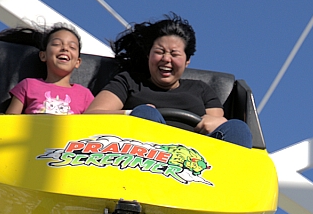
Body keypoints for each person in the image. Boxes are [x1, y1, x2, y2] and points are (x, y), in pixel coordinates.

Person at [85, 14, 252, 148]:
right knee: (146, 115)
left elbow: (216, 122)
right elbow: (92, 115)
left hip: (193, 156)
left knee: (238, 128)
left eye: (174, 54)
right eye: (160, 51)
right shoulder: (129, 81)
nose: (166, 59)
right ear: (148, 55)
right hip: (141, 154)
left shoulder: (201, 89)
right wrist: (132, 114)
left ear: (187, 60)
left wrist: (220, 122)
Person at [0, 19, 93, 116]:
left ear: (78, 62)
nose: (65, 48)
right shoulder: (28, 86)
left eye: (72, 47)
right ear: (43, 55)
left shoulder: (85, 95)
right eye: (57, 44)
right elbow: (11, 121)